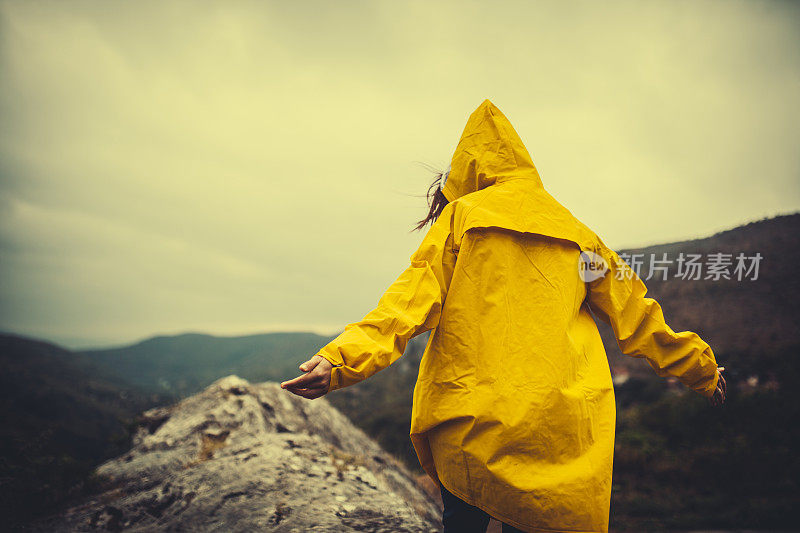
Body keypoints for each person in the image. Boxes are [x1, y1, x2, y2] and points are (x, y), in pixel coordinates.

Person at [281, 99, 727, 533]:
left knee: (463, 522)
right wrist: (700, 368)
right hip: (557, 425)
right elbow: (638, 317)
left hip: (472, 419)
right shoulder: (578, 233)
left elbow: (404, 306)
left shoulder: (461, 217)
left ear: (469, 168)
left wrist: (341, 360)